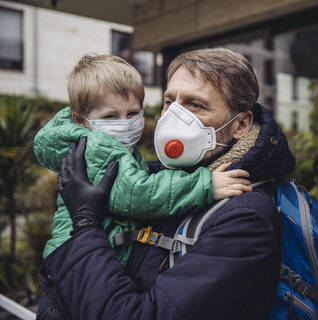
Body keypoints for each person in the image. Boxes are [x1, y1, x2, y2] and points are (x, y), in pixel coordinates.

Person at [37, 48, 296, 320]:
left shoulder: (245, 218)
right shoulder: (160, 176)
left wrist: (86, 226)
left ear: (241, 124)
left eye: (195, 105)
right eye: (170, 101)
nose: (174, 116)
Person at [33, 54, 252, 266]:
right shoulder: (97, 146)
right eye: (110, 116)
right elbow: (137, 193)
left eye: (133, 113)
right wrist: (205, 185)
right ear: (80, 121)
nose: (125, 123)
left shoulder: (109, 146)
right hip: (76, 261)